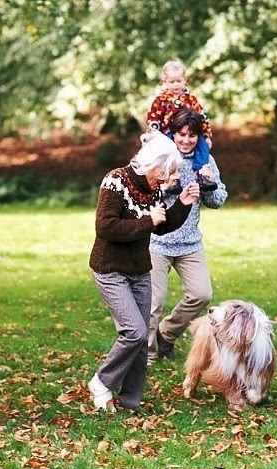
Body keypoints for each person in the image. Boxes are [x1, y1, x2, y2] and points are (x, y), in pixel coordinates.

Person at [87, 132, 201, 413]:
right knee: (135, 332)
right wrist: (146, 220)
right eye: (166, 171)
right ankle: (101, 382)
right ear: (154, 162)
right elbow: (106, 227)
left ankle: (130, 401)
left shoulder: (154, 189)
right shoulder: (115, 180)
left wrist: (182, 204)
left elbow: (159, 226)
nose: (167, 178)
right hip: (110, 268)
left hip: (139, 270)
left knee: (143, 334)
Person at [147, 109, 228, 365]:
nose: (185, 140)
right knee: (153, 303)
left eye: (191, 136)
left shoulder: (205, 160)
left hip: (189, 242)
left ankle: (166, 334)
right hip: (158, 241)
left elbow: (218, 201)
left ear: (199, 137)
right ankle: (146, 357)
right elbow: (143, 196)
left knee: (201, 294)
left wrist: (209, 182)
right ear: (173, 133)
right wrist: (165, 188)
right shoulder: (161, 155)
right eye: (181, 134)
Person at [145, 58, 216, 192]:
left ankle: (202, 174)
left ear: (185, 80)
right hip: (169, 132)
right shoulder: (161, 100)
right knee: (169, 152)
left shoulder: (191, 99)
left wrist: (206, 135)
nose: (176, 85)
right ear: (164, 82)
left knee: (203, 147)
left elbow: (202, 116)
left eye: (179, 81)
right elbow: (153, 118)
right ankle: (173, 178)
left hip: (191, 129)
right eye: (171, 82)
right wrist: (153, 134)